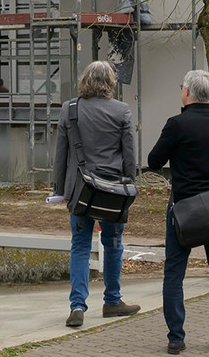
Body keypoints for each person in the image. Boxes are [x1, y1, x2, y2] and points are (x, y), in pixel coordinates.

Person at [147, 69, 209, 354]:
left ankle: (176, 338)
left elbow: (153, 160)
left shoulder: (177, 125)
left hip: (183, 208)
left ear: (187, 93)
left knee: (174, 272)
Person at [54, 60, 140, 328]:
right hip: (113, 190)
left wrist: (60, 190)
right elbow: (129, 156)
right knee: (113, 245)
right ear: (111, 83)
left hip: (79, 190)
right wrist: (129, 186)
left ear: (85, 81)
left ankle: (77, 306)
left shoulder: (70, 109)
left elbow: (61, 154)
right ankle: (112, 300)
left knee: (79, 246)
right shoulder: (122, 111)